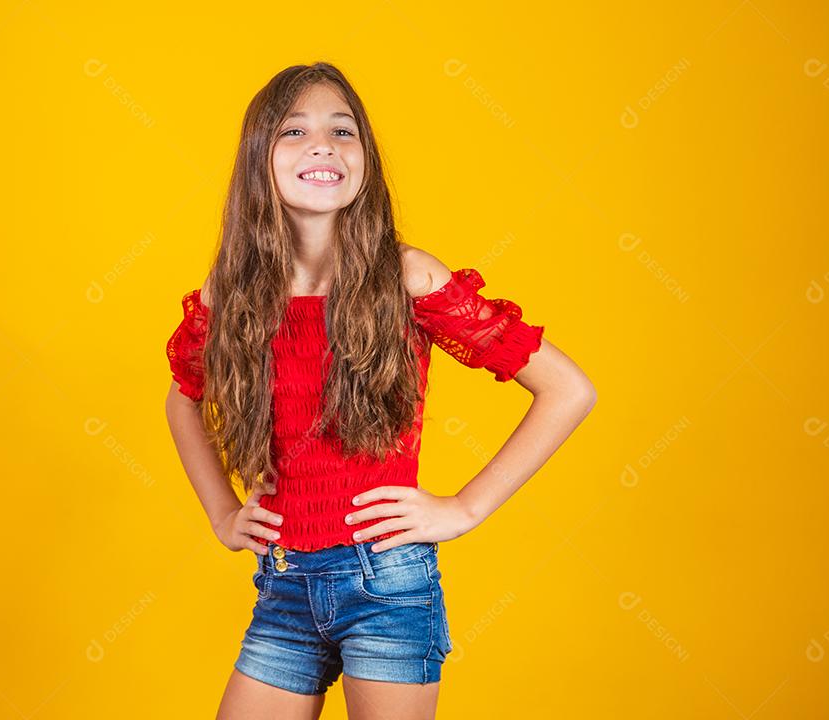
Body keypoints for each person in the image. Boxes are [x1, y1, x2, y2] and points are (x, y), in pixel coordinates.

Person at [164, 62, 597, 720]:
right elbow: (182, 397)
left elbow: (568, 389)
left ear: (363, 158)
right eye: (294, 131)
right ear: (258, 160)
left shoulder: (407, 276)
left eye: (344, 131)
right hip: (284, 585)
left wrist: (465, 508)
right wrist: (223, 515)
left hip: (387, 584)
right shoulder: (235, 294)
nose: (324, 145)